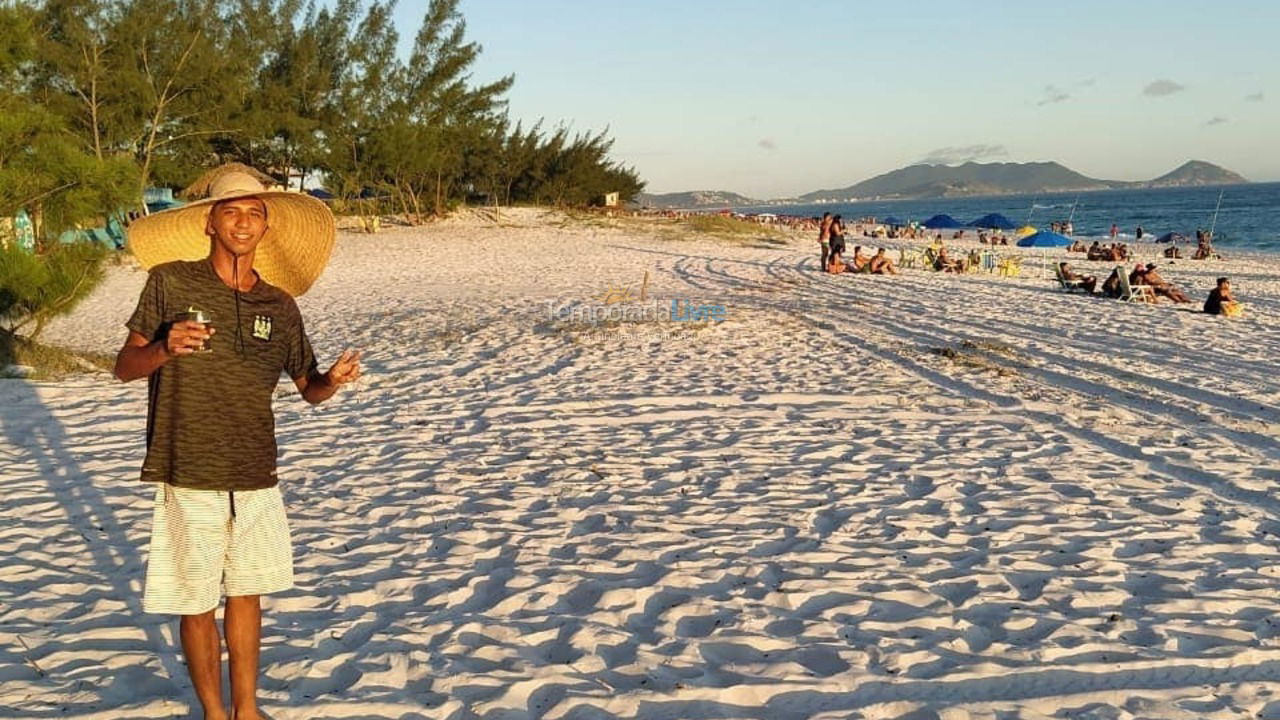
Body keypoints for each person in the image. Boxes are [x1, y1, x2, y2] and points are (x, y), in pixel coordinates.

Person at [114, 170, 363, 720]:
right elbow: (124, 367)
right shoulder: (170, 283)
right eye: (230, 212)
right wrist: (164, 348)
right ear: (210, 222)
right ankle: (212, 712)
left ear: (266, 225)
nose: (243, 222)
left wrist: (335, 382)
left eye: (253, 212)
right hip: (188, 466)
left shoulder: (280, 304)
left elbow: (308, 389)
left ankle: (246, 709)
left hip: (256, 470)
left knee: (248, 594)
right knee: (196, 600)